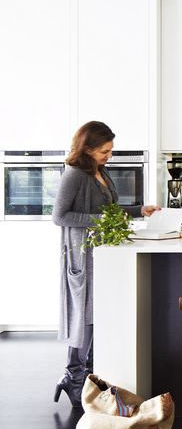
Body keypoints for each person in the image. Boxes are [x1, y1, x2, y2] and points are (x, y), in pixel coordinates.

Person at [52, 121, 160, 407]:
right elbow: (60, 216)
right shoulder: (74, 175)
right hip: (83, 257)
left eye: (110, 151)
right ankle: (73, 377)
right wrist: (102, 221)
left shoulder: (100, 171)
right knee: (84, 319)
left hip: (104, 255)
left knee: (98, 317)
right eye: (104, 151)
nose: (109, 156)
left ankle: (88, 379)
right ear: (86, 149)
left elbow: (108, 210)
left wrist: (139, 210)